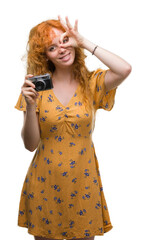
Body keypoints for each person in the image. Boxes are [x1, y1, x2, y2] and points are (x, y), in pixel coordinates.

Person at [15, 15, 132, 240]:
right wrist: (30, 107)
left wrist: (84, 41)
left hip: (83, 185)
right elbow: (30, 145)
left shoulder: (92, 83)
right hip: (45, 184)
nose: (61, 49)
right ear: (44, 55)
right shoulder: (36, 89)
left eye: (65, 41)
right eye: (52, 47)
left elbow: (125, 69)